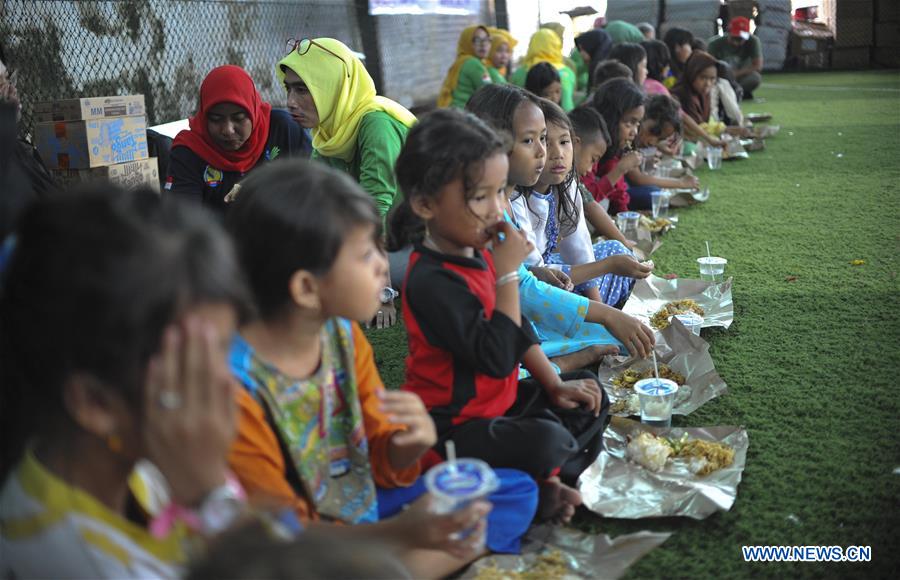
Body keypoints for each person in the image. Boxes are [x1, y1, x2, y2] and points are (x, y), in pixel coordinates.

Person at [224, 160, 537, 579]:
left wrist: (408, 444)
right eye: (365, 253)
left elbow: (382, 460)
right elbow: (281, 537)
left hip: (360, 507)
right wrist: (401, 532)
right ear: (305, 288)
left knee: (514, 489)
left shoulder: (342, 336)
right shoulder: (235, 388)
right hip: (292, 549)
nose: (382, 265)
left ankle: (394, 567)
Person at [0, 187, 254, 578]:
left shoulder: (142, 466)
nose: (228, 381)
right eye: (199, 361)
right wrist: (210, 496)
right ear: (97, 404)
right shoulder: (85, 566)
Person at [390, 107, 610, 524]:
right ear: (424, 204)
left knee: (590, 397)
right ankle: (534, 485)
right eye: (478, 197)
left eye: (499, 193)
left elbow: (519, 329)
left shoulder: (477, 250)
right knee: (545, 441)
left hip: (501, 406)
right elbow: (495, 354)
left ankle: (532, 483)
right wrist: (509, 272)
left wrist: (552, 384)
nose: (496, 210)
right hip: (453, 428)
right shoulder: (430, 280)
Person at [278, 37, 416, 328]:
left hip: (421, 244)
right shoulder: (328, 135)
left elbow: (373, 207)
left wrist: (383, 293)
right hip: (380, 242)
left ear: (333, 86)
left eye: (303, 89)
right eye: (289, 88)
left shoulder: (375, 123)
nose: (290, 102)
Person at [511, 98, 651, 306]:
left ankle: (597, 312)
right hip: (536, 287)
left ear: (574, 143)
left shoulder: (567, 184)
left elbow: (579, 247)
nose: (556, 154)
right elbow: (537, 276)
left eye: (563, 142)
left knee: (616, 249)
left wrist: (601, 309)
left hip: (559, 275)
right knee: (604, 268)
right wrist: (608, 267)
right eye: (543, 141)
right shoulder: (515, 196)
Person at [165, 65, 310, 214]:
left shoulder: (283, 129)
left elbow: (313, 191)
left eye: (238, 118)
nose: (228, 130)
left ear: (253, 111)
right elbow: (182, 220)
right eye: (216, 119)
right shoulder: (190, 151)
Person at [583, 78, 645, 214]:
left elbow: (619, 193)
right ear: (611, 117)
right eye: (629, 123)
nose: (634, 132)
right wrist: (620, 169)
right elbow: (585, 199)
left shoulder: (614, 147)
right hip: (577, 214)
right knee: (602, 205)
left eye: (637, 124)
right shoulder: (589, 144)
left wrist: (625, 216)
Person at [510, 29, 577, 111]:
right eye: (547, 94)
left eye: (558, 92)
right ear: (557, 45)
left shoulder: (520, 72)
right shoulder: (567, 72)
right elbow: (568, 105)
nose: (554, 98)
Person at [437, 25, 493, 108]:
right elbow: (491, 92)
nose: (483, 44)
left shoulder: (462, 61)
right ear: (466, 42)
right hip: (464, 114)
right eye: (477, 40)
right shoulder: (473, 63)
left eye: (486, 40)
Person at [706, 17, 762, 99]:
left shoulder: (753, 41)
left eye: (740, 39)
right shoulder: (714, 43)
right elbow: (708, 65)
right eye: (734, 38)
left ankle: (734, 92)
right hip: (721, 76)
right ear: (728, 33)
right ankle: (729, 92)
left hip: (739, 76)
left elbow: (757, 66)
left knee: (755, 78)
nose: (736, 43)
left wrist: (735, 74)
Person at [573, 29, 614, 93]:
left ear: (591, 46)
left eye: (582, 49)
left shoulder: (600, 70)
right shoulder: (599, 65)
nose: (580, 53)